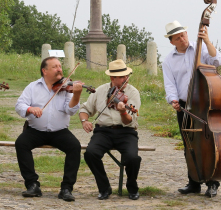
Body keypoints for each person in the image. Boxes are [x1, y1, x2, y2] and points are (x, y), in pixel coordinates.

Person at [162, 20, 221, 197]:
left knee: (210, 143)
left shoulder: (200, 48)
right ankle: (194, 182)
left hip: (205, 103)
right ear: (171, 41)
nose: (183, 39)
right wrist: (173, 100)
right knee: (189, 145)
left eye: (184, 34)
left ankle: (212, 182)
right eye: (178, 37)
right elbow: (170, 85)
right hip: (184, 106)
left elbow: (217, 60)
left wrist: (208, 41)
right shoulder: (168, 61)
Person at [15, 57, 83, 202]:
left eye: (60, 66)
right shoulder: (33, 87)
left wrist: (76, 95)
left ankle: (66, 188)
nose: (59, 69)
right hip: (35, 130)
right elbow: (19, 105)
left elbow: (70, 110)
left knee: (74, 146)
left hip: (60, 131)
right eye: (55, 67)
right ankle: (32, 184)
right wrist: (30, 108)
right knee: (21, 143)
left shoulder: (67, 87)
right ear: (44, 71)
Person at [79, 59, 141, 200]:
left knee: (133, 158)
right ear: (112, 78)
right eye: (120, 77)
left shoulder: (132, 93)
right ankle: (104, 187)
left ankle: (132, 187)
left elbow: (129, 120)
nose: (125, 79)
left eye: (125, 76)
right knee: (90, 153)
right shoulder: (101, 90)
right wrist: (85, 121)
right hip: (103, 131)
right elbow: (85, 109)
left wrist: (123, 112)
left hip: (126, 132)